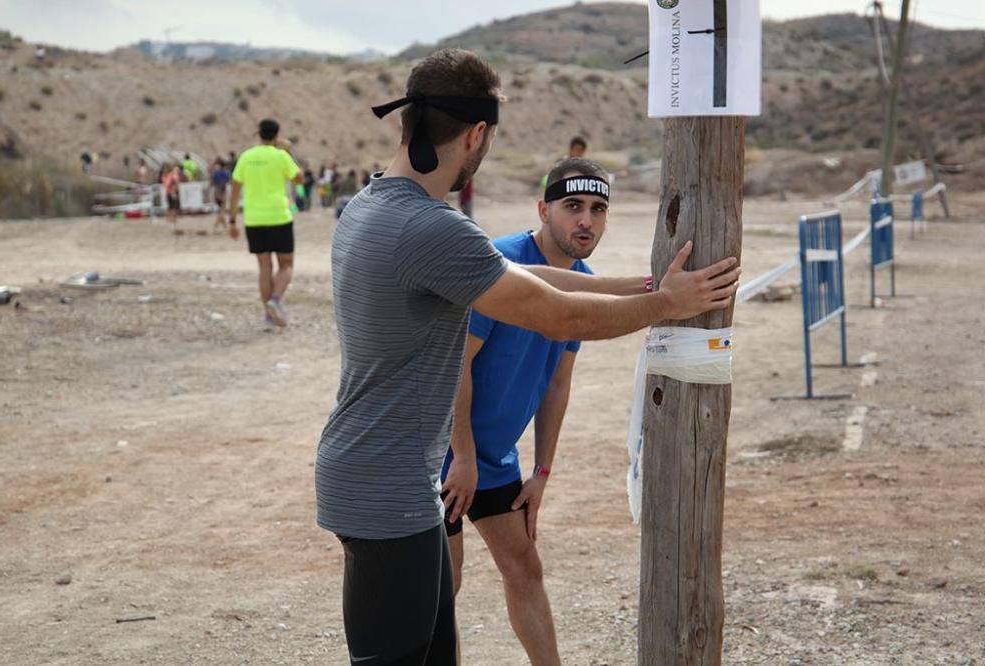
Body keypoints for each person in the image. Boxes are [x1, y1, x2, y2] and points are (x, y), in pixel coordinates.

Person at [314, 48, 740, 666]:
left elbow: (538, 279)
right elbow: (558, 314)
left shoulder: (369, 207)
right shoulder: (434, 229)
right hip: (386, 491)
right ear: (478, 134)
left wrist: (650, 288)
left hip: (381, 477)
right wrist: (666, 307)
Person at [442, 156, 624, 664]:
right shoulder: (501, 263)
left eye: (597, 208)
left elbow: (557, 384)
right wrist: (461, 456)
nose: (585, 220)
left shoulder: (584, 282)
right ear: (544, 210)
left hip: (493, 456)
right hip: (443, 453)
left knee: (524, 567)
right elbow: (455, 364)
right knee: (442, 587)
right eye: (573, 207)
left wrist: (541, 471)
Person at [227, 118, 304, 328]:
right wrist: (288, 152)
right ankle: (275, 300)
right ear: (277, 135)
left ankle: (268, 317)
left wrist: (232, 220)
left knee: (264, 267)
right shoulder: (281, 156)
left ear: (258, 134)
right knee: (286, 265)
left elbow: (234, 191)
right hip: (279, 216)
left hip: (254, 219)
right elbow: (299, 180)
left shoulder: (246, 157)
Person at [209, 158, 231, 231]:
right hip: (222, 192)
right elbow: (229, 181)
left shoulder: (215, 173)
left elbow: (211, 183)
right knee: (222, 210)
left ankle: (224, 226)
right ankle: (215, 225)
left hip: (216, 192)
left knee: (221, 210)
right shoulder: (225, 173)